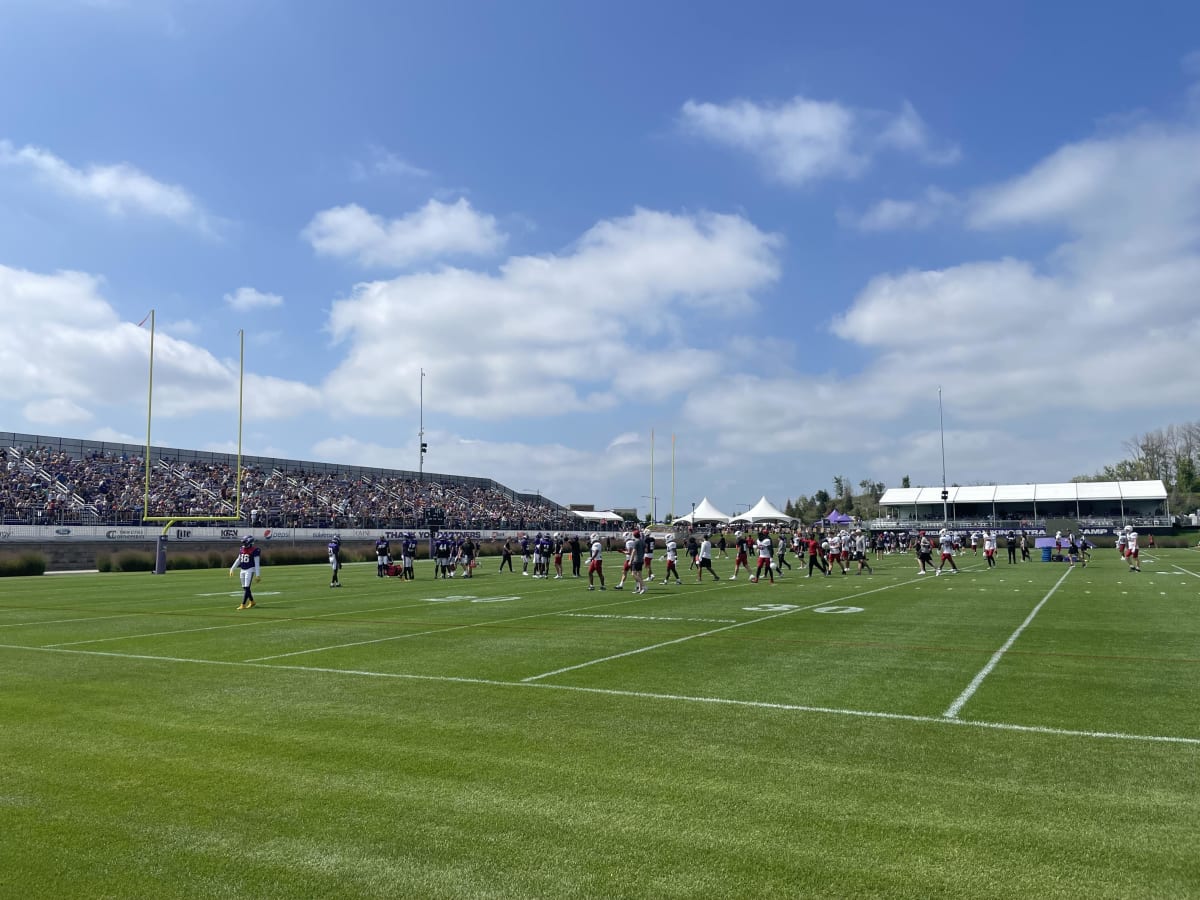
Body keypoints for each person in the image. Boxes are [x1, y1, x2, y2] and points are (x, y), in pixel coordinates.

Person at [229, 535, 262, 609]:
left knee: (247, 587)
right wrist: (232, 569)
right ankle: (252, 601)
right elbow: (238, 559)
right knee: (244, 587)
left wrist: (258, 575)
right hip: (242, 569)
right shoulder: (242, 549)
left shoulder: (255, 550)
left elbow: (257, 563)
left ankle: (243, 604)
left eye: (245, 542)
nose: (244, 544)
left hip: (250, 569)